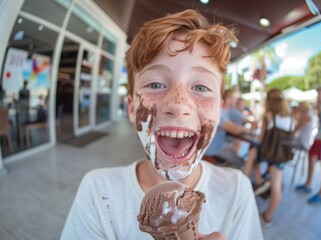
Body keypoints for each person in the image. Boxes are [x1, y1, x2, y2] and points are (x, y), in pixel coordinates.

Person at [61, 10, 263, 240]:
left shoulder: (237, 191)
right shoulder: (98, 191)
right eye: (155, 84)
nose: (178, 105)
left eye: (200, 87)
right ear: (131, 108)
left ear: (219, 110)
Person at [253, 89, 294, 227]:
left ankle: (267, 217)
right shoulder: (290, 116)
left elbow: (260, 138)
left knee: (254, 158)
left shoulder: (269, 115)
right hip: (282, 156)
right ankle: (262, 183)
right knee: (276, 184)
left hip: (270, 156)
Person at [296, 86, 321, 204]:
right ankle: (308, 184)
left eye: (320, 93)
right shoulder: (320, 106)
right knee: (311, 156)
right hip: (319, 137)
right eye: (317, 93)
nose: (318, 96)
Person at [205, 89, 255, 169]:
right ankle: (220, 172)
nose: (237, 101)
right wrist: (249, 130)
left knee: (236, 149)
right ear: (228, 100)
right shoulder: (219, 112)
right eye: (235, 98)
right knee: (240, 162)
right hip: (213, 149)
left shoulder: (226, 112)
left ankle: (222, 169)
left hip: (218, 145)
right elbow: (234, 129)